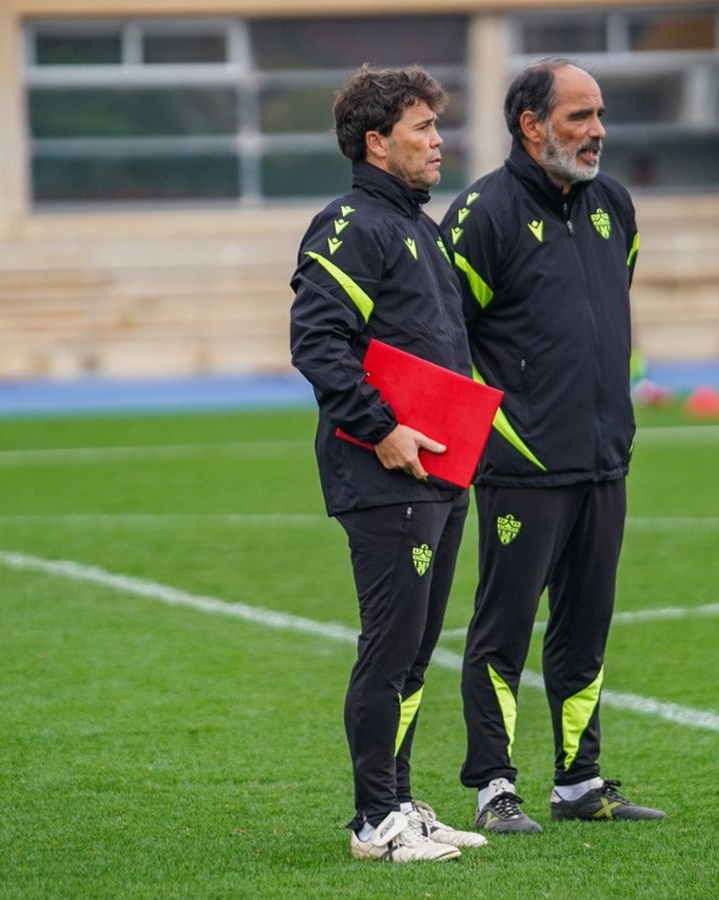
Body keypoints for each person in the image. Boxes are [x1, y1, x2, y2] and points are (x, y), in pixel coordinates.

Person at [440, 58, 666, 834]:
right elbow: (443, 339)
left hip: (605, 463)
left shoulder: (615, 206)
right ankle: (494, 789)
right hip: (521, 471)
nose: (598, 131)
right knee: (500, 632)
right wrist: (499, 436)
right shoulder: (481, 215)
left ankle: (580, 782)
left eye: (599, 115)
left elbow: (609, 310)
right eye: (579, 117)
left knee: (585, 628)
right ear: (532, 125)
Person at [288, 65, 487, 863]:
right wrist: (382, 430)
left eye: (438, 128)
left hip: (440, 471)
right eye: (422, 129)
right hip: (385, 473)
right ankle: (375, 820)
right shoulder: (348, 225)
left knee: (414, 648)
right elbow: (316, 343)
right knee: (389, 643)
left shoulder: (419, 226)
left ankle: (401, 799)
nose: (439, 142)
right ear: (377, 142)